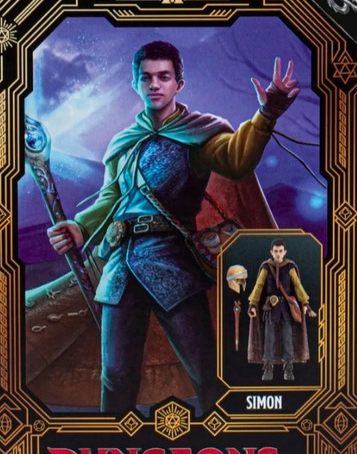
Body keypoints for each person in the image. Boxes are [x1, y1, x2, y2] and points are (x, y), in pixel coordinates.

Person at [47, 40, 299, 413]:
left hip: (172, 262)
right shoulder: (124, 143)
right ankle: (112, 442)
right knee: (115, 375)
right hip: (120, 266)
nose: (154, 84)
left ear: (179, 84)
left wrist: (267, 113)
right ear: (135, 83)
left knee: (205, 370)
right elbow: (111, 197)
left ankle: (223, 438)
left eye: (163, 77)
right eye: (146, 77)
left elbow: (237, 159)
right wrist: (80, 227)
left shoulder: (198, 134)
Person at [247, 238, 316, 381]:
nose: (278, 254)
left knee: (287, 337)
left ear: (285, 252)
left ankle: (288, 368)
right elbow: (259, 286)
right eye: (275, 251)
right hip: (270, 308)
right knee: (269, 338)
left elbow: (297, 286)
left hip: (286, 309)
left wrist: (305, 304)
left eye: (280, 251)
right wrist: (252, 305)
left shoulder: (290, 267)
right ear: (271, 252)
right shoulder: (266, 267)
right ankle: (268, 367)